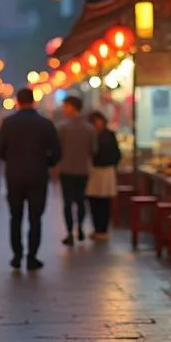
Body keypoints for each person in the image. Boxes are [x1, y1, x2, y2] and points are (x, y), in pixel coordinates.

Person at [0, 88, 61, 270]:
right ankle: (32, 256)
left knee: (15, 217)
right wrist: (46, 162)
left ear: (17, 101)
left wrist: (12, 161)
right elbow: (57, 152)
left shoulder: (8, 123)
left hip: (15, 176)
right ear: (33, 101)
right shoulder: (46, 124)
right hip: (38, 176)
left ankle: (16, 255)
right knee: (35, 218)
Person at [56, 95, 96, 246]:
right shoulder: (89, 129)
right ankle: (80, 227)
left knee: (67, 202)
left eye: (66, 106)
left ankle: (69, 232)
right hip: (83, 170)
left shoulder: (62, 127)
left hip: (66, 170)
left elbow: (57, 149)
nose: (64, 110)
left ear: (72, 107)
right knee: (80, 201)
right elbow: (94, 150)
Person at [85, 111, 121, 239]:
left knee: (105, 201)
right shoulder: (90, 135)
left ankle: (103, 229)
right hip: (93, 171)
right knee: (93, 200)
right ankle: (97, 228)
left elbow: (117, 154)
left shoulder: (109, 135)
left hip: (106, 171)